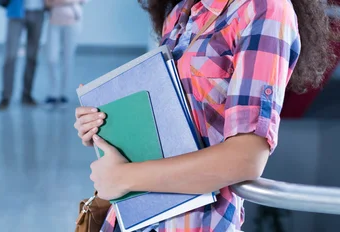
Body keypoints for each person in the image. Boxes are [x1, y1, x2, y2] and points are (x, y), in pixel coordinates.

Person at [73, 0, 332, 231]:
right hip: (133, 216)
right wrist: (104, 126)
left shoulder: (264, 9)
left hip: (195, 223)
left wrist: (124, 178)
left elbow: (246, 158)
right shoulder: (182, 11)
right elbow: (167, 124)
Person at [0, 0, 46, 110]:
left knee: (32, 56)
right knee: (10, 55)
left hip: (38, 12)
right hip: (16, 10)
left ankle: (27, 94)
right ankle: (6, 96)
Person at [44, 0, 87, 105]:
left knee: (68, 58)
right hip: (54, 22)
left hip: (73, 22)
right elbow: (47, 3)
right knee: (51, 59)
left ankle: (64, 94)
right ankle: (53, 94)